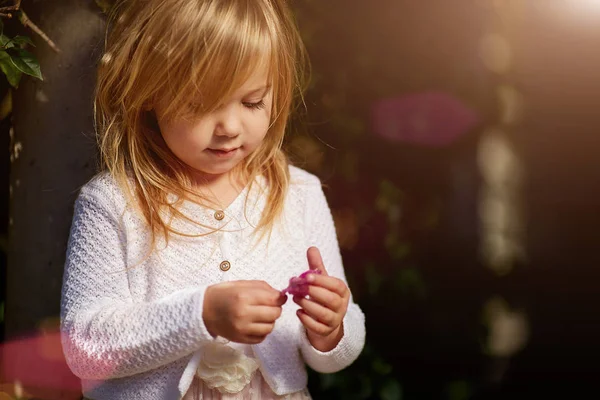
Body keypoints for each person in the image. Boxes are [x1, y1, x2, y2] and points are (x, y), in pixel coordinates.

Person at [59, 0, 366, 399]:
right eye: (199, 104)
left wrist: (331, 328)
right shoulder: (113, 203)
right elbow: (85, 348)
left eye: (253, 101)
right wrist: (199, 314)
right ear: (148, 92)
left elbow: (340, 348)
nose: (230, 127)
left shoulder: (299, 195)